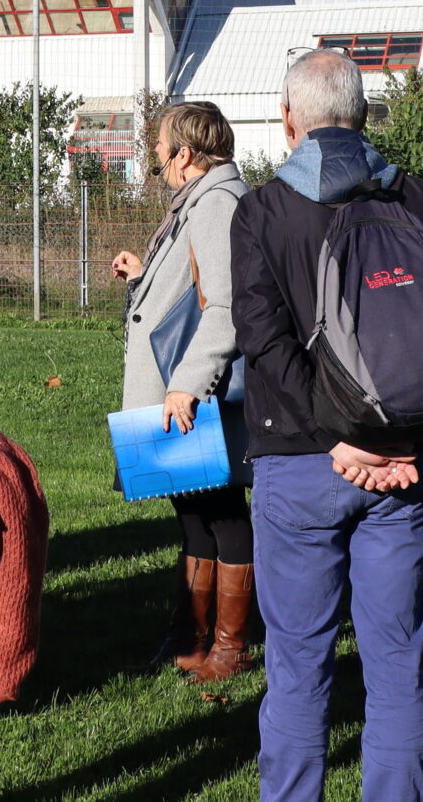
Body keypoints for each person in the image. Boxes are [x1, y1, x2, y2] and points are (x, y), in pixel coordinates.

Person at [231, 49, 423, 802]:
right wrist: (397, 436)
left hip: (300, 461)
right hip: (406, 462)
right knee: (396, 658)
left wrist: (338, 435)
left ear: (289, 121)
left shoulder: (263, 211)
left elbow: (264, 342)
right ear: (365, 115)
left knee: (299, 664)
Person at [109, 99, 252, 679]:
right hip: (183, 388)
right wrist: (147, 277)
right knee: (193, 511)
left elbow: (226, 305)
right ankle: (190, 635)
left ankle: (229, 646)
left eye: (160, 155)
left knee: (221, 512)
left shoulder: (217, 204)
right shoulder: (200, 199)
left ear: (185, 155)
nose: (159, 165)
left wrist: (188, 386)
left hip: (196, 393)